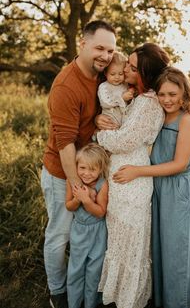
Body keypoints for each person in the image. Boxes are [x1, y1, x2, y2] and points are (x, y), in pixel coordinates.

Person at [40, 20, 116, 308]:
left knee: (85, 231)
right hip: (63, 171)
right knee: (60, 233)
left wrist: (97, 118)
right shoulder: (65, 85)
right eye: (99, 48)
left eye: (110, 50)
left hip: (89, 168)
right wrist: (78, 187)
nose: (105, 56)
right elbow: (65, 144)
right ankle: (57, 292)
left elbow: (97, 109)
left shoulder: (101, 76)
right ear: (82, 44)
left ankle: (86, 285)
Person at [113, 67, 190, 308]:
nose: (167, 99)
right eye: (162, 94)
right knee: (160, 251)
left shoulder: (187, 119)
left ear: (184, 93)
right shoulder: (159, 114)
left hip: (178, 191)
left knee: (176, 254)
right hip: (159, 189)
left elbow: (179, 164)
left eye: (173, 94)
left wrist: (137, 171)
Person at [96, 43, 170, 308]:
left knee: (131, 242)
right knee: (118, 240)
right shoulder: (137, 97)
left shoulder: (149, 103)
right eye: (126, 63)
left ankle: (130, 300)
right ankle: (117, 297)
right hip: (121, 176)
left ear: (145, 75)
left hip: (133, 179)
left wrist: (97, 135)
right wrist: (99, 121)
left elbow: (125, 140)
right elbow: (117, 124)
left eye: (131, 67)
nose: (125, 68)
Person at [65, 143, 110, 308]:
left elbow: (100, 212)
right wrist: (78, 199)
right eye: (82, 167)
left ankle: (90, 303)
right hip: (79, 231)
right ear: (76, 166)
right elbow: (69, 206)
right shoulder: (72, 182)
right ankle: (74, 304)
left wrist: (86, 200)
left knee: (94, 271)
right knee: (76, 269)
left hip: (98, 232)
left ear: (100, 169)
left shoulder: (102, 185)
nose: (87, 173)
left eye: (93, 169)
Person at [98, 51, 134, 126]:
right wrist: (122, 98)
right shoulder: (104, 86)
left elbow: (130, 101)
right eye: (113, 74)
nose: (117, 77)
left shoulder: (125, 85)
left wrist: (131, 92)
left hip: (123, 122)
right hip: (109, 121)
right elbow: (105, 102)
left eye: (120, 74)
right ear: (105, 73)